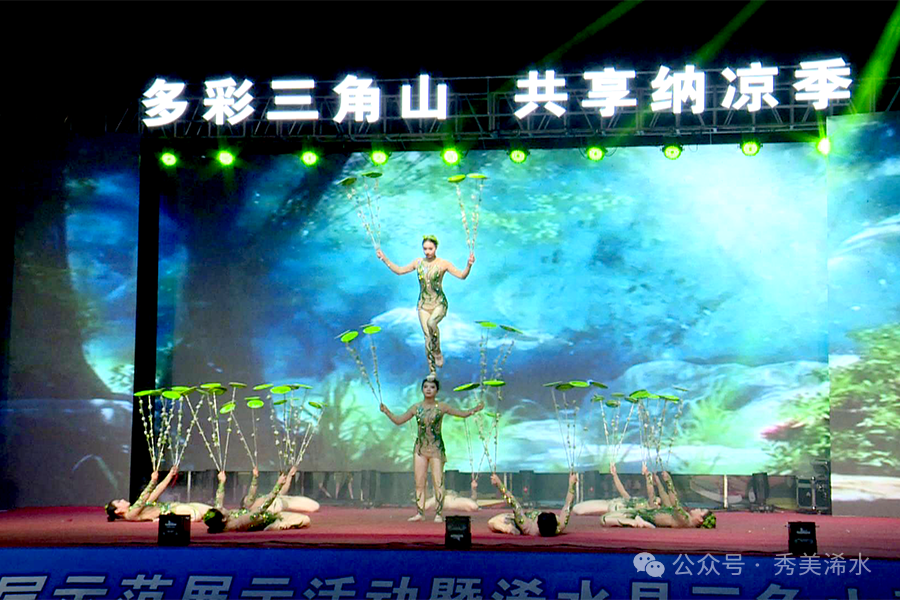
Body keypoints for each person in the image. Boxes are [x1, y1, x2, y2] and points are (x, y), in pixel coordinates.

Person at [380, 377, 484, 522]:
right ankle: (420, 513)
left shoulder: (442, 407)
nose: (428, 390)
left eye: (432, 387)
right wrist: (386, 411)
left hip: (436, 448)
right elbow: (399, 420)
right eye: (426, 387)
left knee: (438, 482)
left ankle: (438, 514)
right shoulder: (416, 408)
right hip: (420, 449)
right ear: (422, 389)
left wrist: (475, 409)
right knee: (419, 482)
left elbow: (462, 414)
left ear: (437, 390)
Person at [376, 235, 475, 372]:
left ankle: (437, 351)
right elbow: (399, 271)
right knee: (428, 337)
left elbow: (462, 276)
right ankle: (431, 369)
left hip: (439, 303)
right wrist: (384, 258)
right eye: (425, 249)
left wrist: (469, 265)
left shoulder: (443, 264)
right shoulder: (418, 262)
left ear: (436, 248)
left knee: (431, 323)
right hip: (423, 305)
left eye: (430, 249)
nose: (427, 252)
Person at [598, 465, 716, 529]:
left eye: (700, 510)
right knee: (605, 518)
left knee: (604, 519)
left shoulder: (684, 520)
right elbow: (666, 499)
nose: (697, 509)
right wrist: (658, 481)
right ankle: (637, 522)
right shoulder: (681, 515)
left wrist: (669, 482)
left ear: (700, 519)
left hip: (642, 516)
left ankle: (636, 523)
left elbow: (674, 502)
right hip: (641, 513)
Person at [204, 466, 311, 532]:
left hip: (272, 511)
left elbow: (218, 500)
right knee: (305, 520)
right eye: (221, 509)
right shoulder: (238, 522)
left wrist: (221, 482)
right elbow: (262, 509)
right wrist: (278, 485)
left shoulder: (221, 520)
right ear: (223, 519)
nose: (221, 507)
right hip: (270, 519)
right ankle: (277, 526)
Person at [105, 465, 211, 522]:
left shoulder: (138, 508)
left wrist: (170, 474)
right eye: (119, 502)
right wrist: (152, 481)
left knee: (212, 510)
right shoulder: (130, 515)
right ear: (118, 511)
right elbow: (142, 498)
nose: (122, 500)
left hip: (176, 506)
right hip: (174, 512)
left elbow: (158, 490)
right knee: (197, 513)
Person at [487, 472, 578, 536]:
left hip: (518, 521)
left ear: (537, 523)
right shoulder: (559, 525)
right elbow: (568, 504)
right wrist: (571, 485)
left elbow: (514, 503)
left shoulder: (527, 526)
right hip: (525, 517)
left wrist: (499, 484)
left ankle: (507, 528)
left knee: (491, 523)